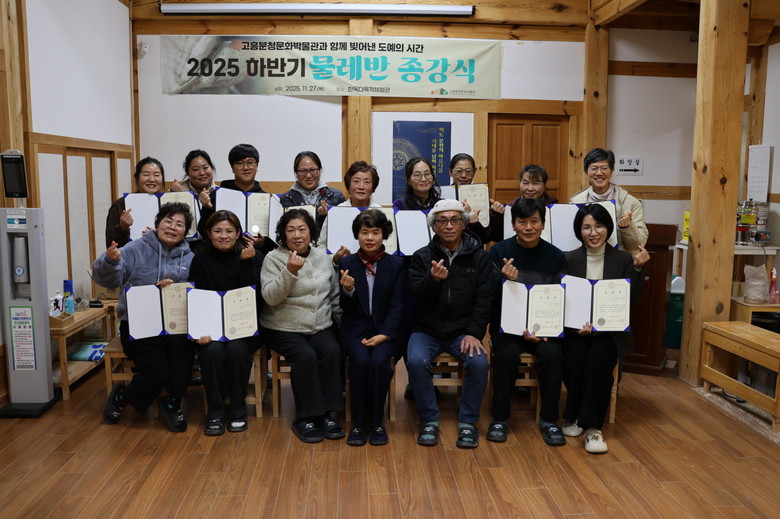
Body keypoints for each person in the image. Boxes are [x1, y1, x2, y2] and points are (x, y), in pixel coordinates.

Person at [94, 202, 195, 432]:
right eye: (168, 221)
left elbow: (196, 291)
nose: (173, 227)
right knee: (158, 374)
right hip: (138, 324)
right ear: (157, 224)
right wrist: (109, 261)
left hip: (174, 325)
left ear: (185, 232)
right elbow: (107, 280)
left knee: (183, 353)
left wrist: (177, 286)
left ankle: (172, 403)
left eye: (179, 224)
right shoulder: (135, 249)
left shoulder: (190, 257)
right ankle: (122, 396)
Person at [406, 199, 496, 448]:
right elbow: (415, 294)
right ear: (434, 226)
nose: (448, 226)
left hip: (463, 331)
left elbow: (485, 300)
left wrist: (474, 333)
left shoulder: (480, 257)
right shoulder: (422, 256)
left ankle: (468, 422)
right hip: (426, 329)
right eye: (442, 221)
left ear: (464, 225)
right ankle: (429, 420)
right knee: (415, 361)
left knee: (479, 363)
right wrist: (432, 280)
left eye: (454, 220)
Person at [563, 204, 649, 453]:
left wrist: (638, 269)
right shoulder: (568, 259)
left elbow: (630, 300)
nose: (593, 233)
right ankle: (574, 415)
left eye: (599, 226)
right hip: (576, 330)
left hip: (611, 332)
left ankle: (592, 428)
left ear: (608, 229)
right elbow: (564, 299)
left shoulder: (622, 259)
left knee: (598, 358)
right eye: (587, 227)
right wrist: (576, 326)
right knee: (575, 355)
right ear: (579, 230)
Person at [486, 198, 568, 446]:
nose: (529, 227)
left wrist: (542, 327)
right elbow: (486, 295)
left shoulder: (556, 256)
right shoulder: (498, 252)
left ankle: (549, 420)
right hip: (507, 326)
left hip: (543, 328)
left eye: (535, 221)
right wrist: (503, 280)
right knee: (506, 355)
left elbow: (560, 298)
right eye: (522, 222)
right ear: (513, 225)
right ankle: (500, 418)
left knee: (553, 355)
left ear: (543, 224)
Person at [260, 209, 345, 443]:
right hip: (282, 326)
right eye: (290, 230)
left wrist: (343, 325)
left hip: (319, 324)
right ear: (283, 234)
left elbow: (333, 296)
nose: (297, 235)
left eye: (302, 229)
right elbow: (270, 298)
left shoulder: (322, 258)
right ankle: (307, 417)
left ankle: (327, 414)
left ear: (311, 232)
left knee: (332, 350)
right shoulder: (273, 258)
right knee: (305, 355)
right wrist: (290, 271)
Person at [189, 210, 263, 436]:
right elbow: (198, 298)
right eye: (218, 231)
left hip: (245, 326)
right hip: (210, 326)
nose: (224, 236)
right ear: (209, 233)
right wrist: (200, 331)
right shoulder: (200, 259)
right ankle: (216, 410)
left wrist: (247, 264)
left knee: (237, 349)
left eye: (229, 231)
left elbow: (255, 298)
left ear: (238, 233)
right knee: (211, 351)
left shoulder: (254, 255)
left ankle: (238, 408)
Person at [338, 210, 405, 446]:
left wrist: (385, 335)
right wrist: (347, 290)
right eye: (364, 232)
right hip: (356, 330)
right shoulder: (346, 263)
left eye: (375, 232)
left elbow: (398, 305)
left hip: (385, 331)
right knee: (360, 362)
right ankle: (358, 423)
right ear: (357, 235)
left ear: (383, 234)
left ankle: (376, 422)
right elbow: (345, 307)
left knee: (378, 363)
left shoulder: (396, 264)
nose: (369, 238)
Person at [198, 143, 275, 255]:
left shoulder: (267, 199)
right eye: (240, 163)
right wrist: (207, 208)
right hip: (221, 256)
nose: (246, 167)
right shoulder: (217, 195)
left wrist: (263, 243)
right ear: (232, 168)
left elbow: (274, 238)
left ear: (257, 166)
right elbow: (204, 232)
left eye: (250, 162)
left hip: (256, 255)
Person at [569, 148, 648, 257]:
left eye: (604, 168)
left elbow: (639, 244)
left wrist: (627, 228)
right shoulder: (575, 202)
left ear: (611, 171)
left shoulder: (631, 203)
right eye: (594, 168)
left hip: (619, 262)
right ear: (586, 172)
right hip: (586, 259)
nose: (599, 173)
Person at [320, 161, 383, 263]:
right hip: (341, 268)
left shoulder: (381, 212)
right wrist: (334, 258)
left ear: (373, 187)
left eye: (367, 182)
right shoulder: (336, 212)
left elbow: (390, 245)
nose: (361, 187)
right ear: (348, 184)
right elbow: (321, 245)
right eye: (356, 181)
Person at [488, 164, 559, 243]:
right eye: (525, 183)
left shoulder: (554, 209)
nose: (530, 188)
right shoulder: (510, 209)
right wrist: (496, 216)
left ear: (544, 186)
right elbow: (496, 237)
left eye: (535, 183)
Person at [105, 157, 165, 248]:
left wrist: (158, 236)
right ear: (137, 178)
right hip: (130, 255)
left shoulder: (168, 203)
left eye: (156, 175)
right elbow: (111, 244)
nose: (152, 179)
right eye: (146, 174)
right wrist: (122, 228)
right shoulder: (121, 204)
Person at [279, 151, 346, 228]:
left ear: (319, 170)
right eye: (303, 171)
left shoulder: (336, 196)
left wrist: (330, 213)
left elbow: (345, 224)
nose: (308, 175)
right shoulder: (286, 198)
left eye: (313, 170)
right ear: (296, 173)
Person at [170, 149, 218, 254]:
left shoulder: (220, 192)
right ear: (188, 172)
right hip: (182, 244)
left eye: (205, 167)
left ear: (211, 168)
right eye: (195, 169)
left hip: (213, 245)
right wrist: (172, 195)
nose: (202, 173)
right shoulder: (178, 190)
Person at [447, 153, 490, 244]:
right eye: (459, 171)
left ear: (474, 172)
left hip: (474, 248)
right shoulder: (443, 198)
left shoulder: (482, 197)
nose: (463, 175)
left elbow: (486, 238)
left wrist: (474, 223)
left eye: (468, 171)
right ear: (450, 172)